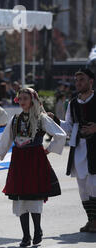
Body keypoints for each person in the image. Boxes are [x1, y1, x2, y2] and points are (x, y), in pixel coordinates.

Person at [0, 88, 66, 247]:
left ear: (32, 100)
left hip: (35, 160)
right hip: (19, 161)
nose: (22, 101)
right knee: (20, 198)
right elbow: (6, 138)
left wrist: (49, 149)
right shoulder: (15, 119)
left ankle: (37, 231)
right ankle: (25, 236)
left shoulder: (41, 118)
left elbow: (60, 134)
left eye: (25, 98)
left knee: (34, 197)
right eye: (20, 98)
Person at [49, 69, 96, 233]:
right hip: (79, 149)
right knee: (83, 187)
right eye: (76, 81)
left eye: (81, 80)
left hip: (95, 149)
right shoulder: (73, 103)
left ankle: (95, 221)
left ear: (91, 81)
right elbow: (68, 126)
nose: (78, 83)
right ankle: (91, 220)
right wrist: (54, 120)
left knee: (93, 185)